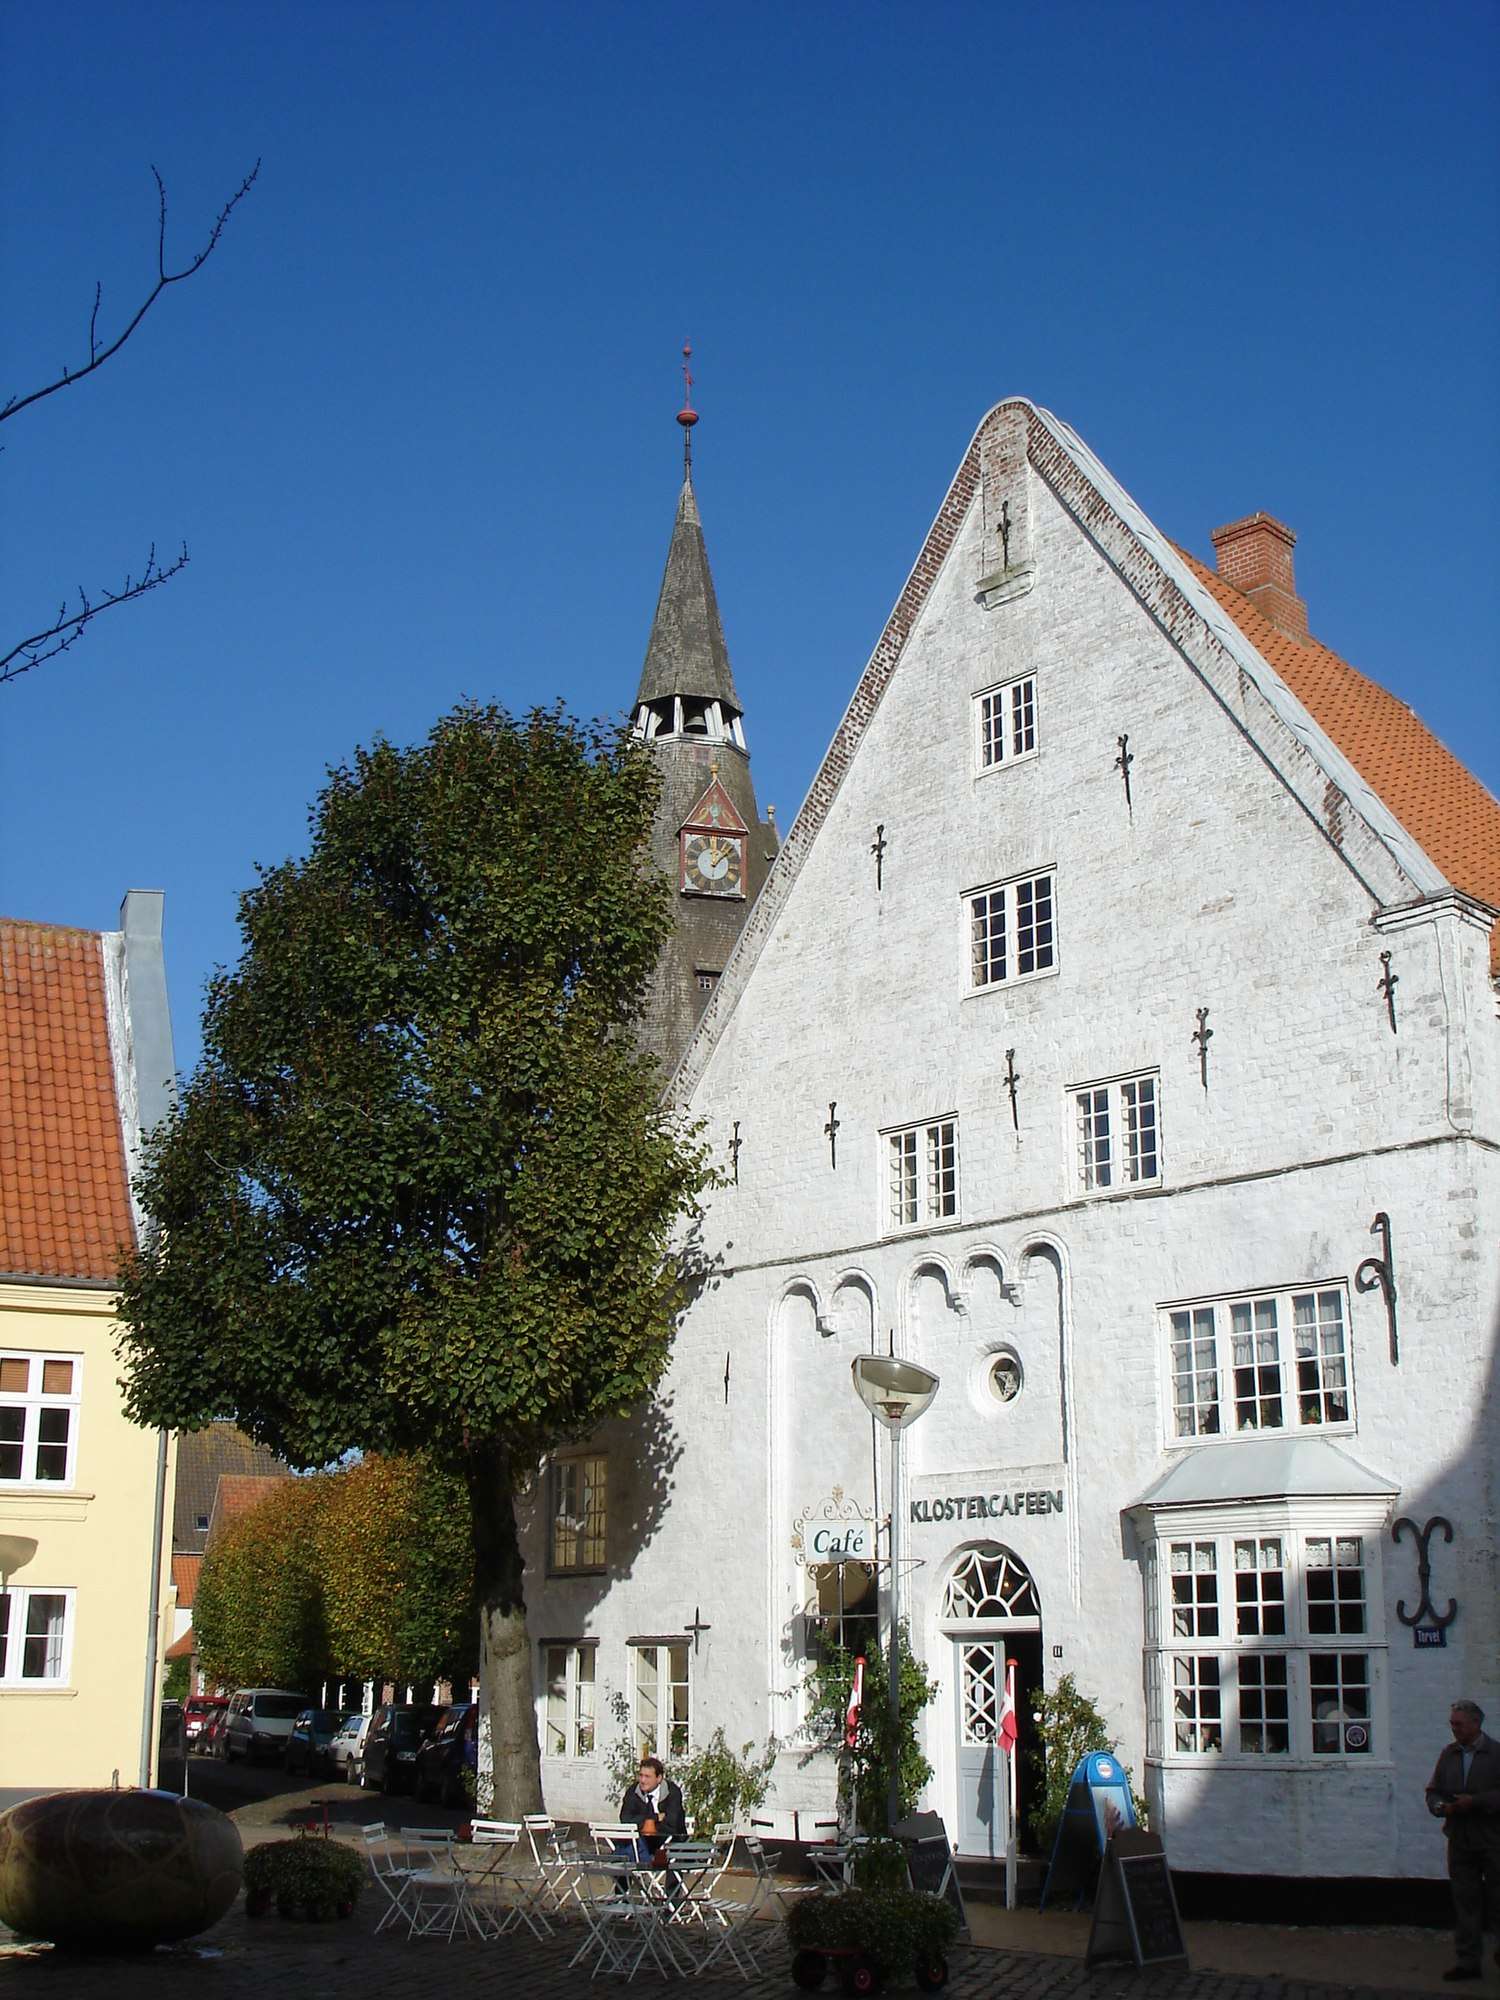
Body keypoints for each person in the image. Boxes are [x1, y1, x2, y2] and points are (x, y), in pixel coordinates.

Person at [1426, 1699, 1500, 1980]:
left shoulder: (1496, 1754)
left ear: (1476, 1723)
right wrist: (1438, 1806)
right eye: (1452, 1724)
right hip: (1460, 1840)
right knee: (1465, 1902)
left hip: (1493, 1840)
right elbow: (1434, 1790)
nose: (1454, 1728)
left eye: (1459, 1724)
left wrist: (1476, 1802)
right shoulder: (1449, 1754)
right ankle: (1468, 1962)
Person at [620, 1753, 688, 1864]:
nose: (642, 1780)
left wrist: (646, 1824)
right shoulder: (633, 1792)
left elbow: (673, 1824)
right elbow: (625, 1820)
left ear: (659, 1778)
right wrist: (655, 1818)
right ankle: (641, 1869)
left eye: (647, 1777)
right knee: (628, 1847)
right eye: (641, 1775)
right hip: (641, 1842)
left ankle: (648, 1868)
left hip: (670, 1843)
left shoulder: (672, 1792)